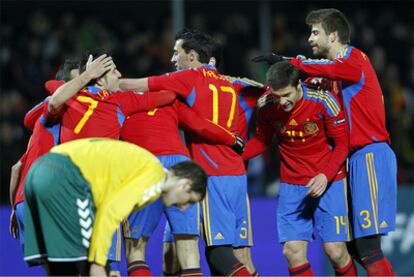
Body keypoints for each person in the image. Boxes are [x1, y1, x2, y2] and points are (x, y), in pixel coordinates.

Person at [253, 8, 397, 276]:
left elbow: (320, 69)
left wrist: (288, 60)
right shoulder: (333, 76)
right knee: (352, 247)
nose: (310, 38)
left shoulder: (354, 60)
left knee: (367, 247)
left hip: (369, 155)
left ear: (333, 36)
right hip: (351, 159)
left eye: (315, 32)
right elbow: (298, 87)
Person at [120, 29, 254, 276]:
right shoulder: (233, 84)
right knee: (187, 250)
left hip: (209, 172)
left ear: (192, 56)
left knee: (217, 252)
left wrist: (105, 84)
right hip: (234, 171)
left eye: (176, 52)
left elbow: (141, 85)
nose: (172, 59)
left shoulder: (185, 79)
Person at [23, 138, 207, 276]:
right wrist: (99, 261)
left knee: (60, 265)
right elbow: (110, 212)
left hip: (37, 172)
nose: (184, 207)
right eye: (189, 200)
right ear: (185, 184)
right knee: (86, 264)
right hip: (66, 177)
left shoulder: (143, 165)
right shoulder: (155, 177)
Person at [243, 61, 356, 276]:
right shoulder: (266, 105)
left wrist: (325, 175)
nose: (282, 102)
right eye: (277, 96)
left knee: (335, 252)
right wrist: (234, 157)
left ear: (299, 85)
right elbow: (261, 140)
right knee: (292, 252)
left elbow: (342, 144)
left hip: (330, 181)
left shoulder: (323, 101)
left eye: (286, 95)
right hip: (292, 186)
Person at [118, 98, 242, 277]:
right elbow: (200, 124)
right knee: (189, 250)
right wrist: (231, 139)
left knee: (136, 251)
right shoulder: (168, 99)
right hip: (180, 165)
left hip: (144, 161)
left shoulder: (118, 100)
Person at [9, 58, 80, 249]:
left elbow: (16, 169)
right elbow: (28, 118)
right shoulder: (54, 114)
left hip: (23, 203)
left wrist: (15, 208)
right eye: (77, 82)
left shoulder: (39, 135)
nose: (81, 88)